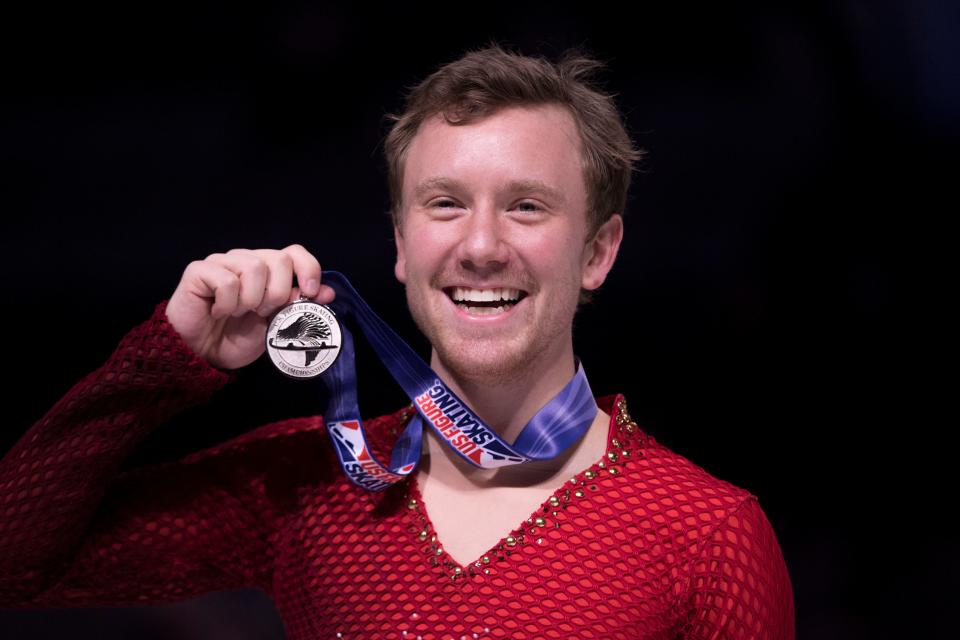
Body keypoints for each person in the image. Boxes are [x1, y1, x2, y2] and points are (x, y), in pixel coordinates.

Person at [0, 43, 796, 639]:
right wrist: (167, 359)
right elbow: (15, 559)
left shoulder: (707, 535)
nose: (480, 245)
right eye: (446, 204)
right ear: (401, 246)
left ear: (597, 250)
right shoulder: (304, 487)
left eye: (526, 206)